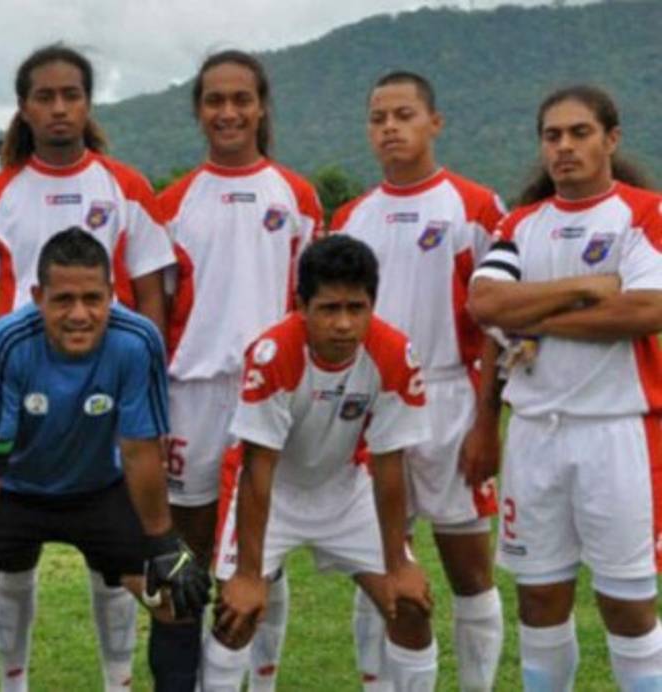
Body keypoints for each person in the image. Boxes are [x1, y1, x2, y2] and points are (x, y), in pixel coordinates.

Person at [0, 43, 176, 692]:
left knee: (115, 561)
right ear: (23, 107)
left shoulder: (125, 186)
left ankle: (117, 681)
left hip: (107, 394)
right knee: (12, 559)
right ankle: (13, 681)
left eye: (70, 95)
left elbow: (151, 294)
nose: (58, 108)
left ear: (87, 104)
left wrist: (147, 391)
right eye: (44, 97)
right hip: (20, 395)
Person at [0, 227, 209, 692]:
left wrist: (164, 542)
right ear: (37, 297)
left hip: (101, 488)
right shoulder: (8, 341)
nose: (79, 314)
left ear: (112, 294)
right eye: (63, 300)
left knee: (177, 594)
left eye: (93, 299)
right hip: (10, 489)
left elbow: (139, 452)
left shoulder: (137, 340)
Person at [468, 84, 662, 691]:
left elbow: (647, 309)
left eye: (580, 132)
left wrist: (535, 318)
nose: (565, 146)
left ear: (611, 139)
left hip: (617, 433)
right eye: (552, 135)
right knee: (539, 600)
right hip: (534, 434)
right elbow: (485, 303)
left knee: (627, 603)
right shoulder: (521, 223)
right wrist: (586, 288)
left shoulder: (644, 213)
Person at [329, 71, 504, 690]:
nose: (390, 128)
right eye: (378, 118)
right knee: (379, 564)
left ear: (435, 122)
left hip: (451, 401)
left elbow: (497, 324)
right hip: (373, 406)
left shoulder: (475, 207)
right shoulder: (350, 217)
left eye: (404, 115)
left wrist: (487, 423)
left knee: (469, 570)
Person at [158, 50, 321, 690]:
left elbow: (309, 307)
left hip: (269, 395)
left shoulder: (297, 196)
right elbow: (157, 313)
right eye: (214, 100)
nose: (228, 112)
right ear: (199, 110)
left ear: (261, 107)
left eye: (241, 99)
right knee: (190, 552)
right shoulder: (172, 203)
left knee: (262, 553)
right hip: (192, 394)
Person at [210, 234, 438, 690]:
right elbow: (258, 469)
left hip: (346, 490)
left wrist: (399, 563)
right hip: (270, 492)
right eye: (329, 309)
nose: (344, 324)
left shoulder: (394, 353)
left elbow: (389, 463)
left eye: (356, 308)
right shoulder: (273, 353)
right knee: (235, 617)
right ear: (301, 305)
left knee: (410, 607)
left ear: (373, 305)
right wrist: (250, 575)